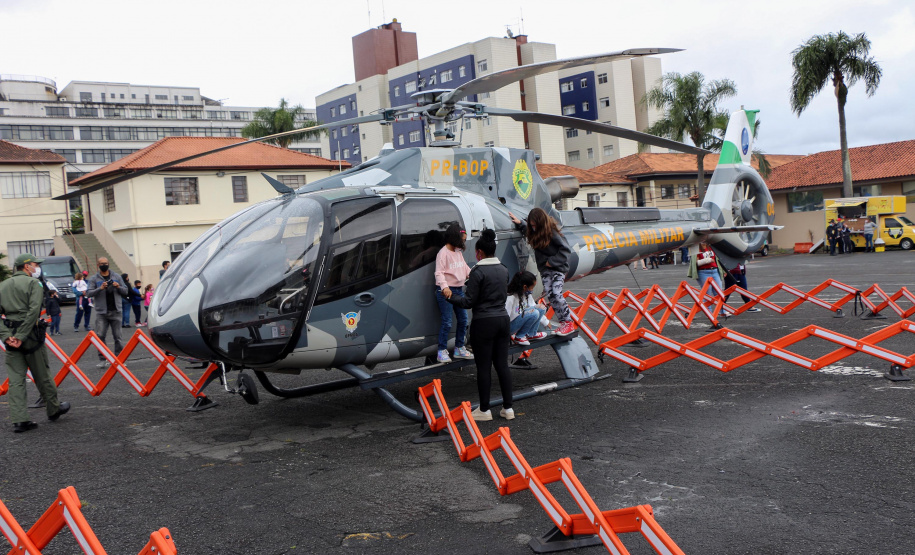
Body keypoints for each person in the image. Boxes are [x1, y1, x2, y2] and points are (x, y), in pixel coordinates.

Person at [445, 229, 513, 421]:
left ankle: (484, 410)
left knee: (483, 367)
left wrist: (450, 296)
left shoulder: (478, 271)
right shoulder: (504, 269)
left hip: (484, 322)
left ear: (479, 253)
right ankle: (508, 408)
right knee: (502, 365)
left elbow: (468, 302)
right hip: (503, 320)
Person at [0, 253, 71, 433]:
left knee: (16, 379)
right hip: (31, 334)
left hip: (11, 335)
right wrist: (22, 335)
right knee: (42, 373)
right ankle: (53, 409)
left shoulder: (2, 285)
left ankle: (20, 420)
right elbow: (33, 311)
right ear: (26, 266)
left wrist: (7, 336)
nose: (37, 267)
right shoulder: (34, 283)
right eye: (34, 264)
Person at [509, 208, 576, 337]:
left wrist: (551, 262)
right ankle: (563, 323)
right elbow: (528, 232)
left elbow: (566, 250)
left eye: (535, 225)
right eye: (531, 225)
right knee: (550, 294)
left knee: (556, 293)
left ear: (540, 223)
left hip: (557, 268)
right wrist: (521, 223)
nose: (533, 228)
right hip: (545, 270)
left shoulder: (551, 232)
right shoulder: (535, 232)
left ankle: (568, 322)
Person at [434, 223, 473, 363]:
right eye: (462, 239)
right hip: (446, 292)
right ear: (455, 237)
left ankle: (459, 348)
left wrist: (473, 274)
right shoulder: (443, 253)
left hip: (458, 290)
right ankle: (441, 350)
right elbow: (438, 273)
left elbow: (464, 267)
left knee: (463, 320)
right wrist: (444, 287)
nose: (463, 242)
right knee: (447, 322)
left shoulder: (457, 252)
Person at [86, 257, 129, 367]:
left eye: (105, 263)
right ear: (98, 265)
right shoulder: (94, 278)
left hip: (116, 311)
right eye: (101, 263)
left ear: (108, 264)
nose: (104, 265)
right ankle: (102, 359)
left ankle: (120, 359)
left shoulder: (117, 276)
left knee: (118, 337)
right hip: (101, 312)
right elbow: (88, 293)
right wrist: (100, 288)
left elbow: (126, 291)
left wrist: (118, 286)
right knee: (100, 336)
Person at [506, 271, 550, 345]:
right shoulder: (510, 297)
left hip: (518, 321)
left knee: (541, 308)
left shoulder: (526, 295)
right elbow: (505, 317)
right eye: (532, 288)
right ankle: (519, 336)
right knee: (534, 313)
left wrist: (546, 322)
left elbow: (533, 305)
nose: (532, 290)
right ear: (525, 287)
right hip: (509, 327)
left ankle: (531, 334)